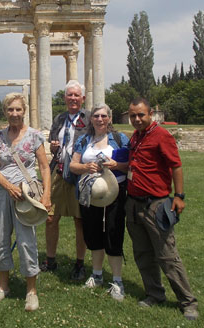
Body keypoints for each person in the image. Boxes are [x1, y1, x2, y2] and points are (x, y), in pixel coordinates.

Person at [126, 97, 198, 320]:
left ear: (150, 115)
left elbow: (176, 165)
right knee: (143, 253)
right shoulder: (136, 138)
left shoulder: (161, 136)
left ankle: (188, 302)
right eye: (133, 116)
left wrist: (179, 196)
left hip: (155, 204)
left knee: (167, 255)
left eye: (141, 115)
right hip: (134, 203)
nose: (137, 119)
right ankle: (155, 294)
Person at [0, 92, 51, 311]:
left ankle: (31, 291)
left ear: (24, 111)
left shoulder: (34, 136)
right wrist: (8, 186)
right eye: (10, 110)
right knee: (1, 239)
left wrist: (47, 195)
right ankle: (3, 287)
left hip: (26, 195)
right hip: (2, 193)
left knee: (26, 241)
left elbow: (44, 167)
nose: (14, 114)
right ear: (5, 112)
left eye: (18, 109)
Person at [70, 103, 129, 301]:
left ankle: (117, 280)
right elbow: (73, 165)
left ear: (109, 118)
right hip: (90, 193)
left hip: (115, 192)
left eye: (104, 116)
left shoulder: (120, 139)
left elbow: (131, 163)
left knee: (113, 232)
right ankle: (96, 275)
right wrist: (86, 166)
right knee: (92, 233)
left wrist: (116, 165)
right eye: (96, 116)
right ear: (91, 118)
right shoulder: (84, 139)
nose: (100, 119)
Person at [40, 80, 90, 280]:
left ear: (82, 98)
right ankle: (50, 260)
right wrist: (53, 146)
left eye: (76, 95)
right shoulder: (59, 118)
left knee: (80, 220)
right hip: (59, 172)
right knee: (51, 217)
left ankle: (80, 264)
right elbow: (55, 144)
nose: (73, 98)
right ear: (65, 98)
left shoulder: (90, 118)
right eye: (69, 95)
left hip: (79, 173)